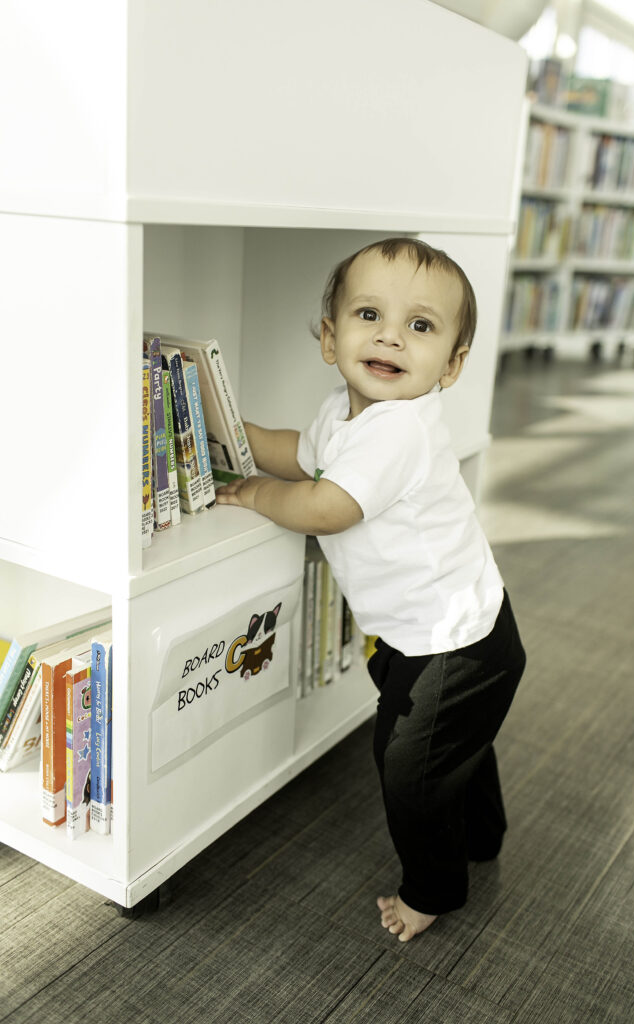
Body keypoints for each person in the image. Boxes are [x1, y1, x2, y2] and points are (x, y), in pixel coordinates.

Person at [216, 237, 526, 942]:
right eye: (367, 314)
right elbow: (298, 449)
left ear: (450, 365)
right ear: (331, 338)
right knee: (456, 749)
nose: (390, 334)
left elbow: (325, 505)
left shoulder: (398, 431)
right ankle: (481, 835)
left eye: (420, 326)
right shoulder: (343, 414)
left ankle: (432, 890)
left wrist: (258, 494)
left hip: (451, 645)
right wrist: (229, 431)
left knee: (408, 771)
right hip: (453, 628)